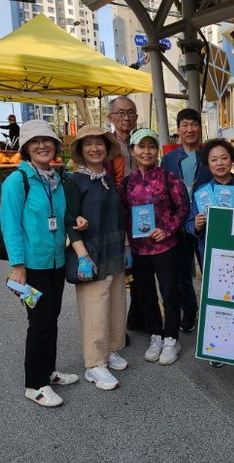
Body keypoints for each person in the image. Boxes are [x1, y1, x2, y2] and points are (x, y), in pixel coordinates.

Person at [0, 120, 82, 407]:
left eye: (47, 140)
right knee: (39, 323)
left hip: (56, 262)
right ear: (26, 148)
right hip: (32, 266)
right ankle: (34, 385)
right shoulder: (17, 181)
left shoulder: (56, 179)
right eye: (35, 141)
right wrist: (18, 266)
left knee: (51, 319)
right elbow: (11, 225)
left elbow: (62, 217)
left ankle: (48, 371)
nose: (42, 145)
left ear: (56, 146)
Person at [64, 126, 128, 391]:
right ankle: (94, 364)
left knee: (115, 304)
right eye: (88, 144)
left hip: (113, 250)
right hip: (90, 253)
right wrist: (82, 256)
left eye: (99, 143)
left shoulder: (107, 178)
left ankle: (109, 349)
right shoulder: (74, 181)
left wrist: (126, 247)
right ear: (81, 150)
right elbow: (69, 221)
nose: (95, 148)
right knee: (95, 308)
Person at [121, 128, 189, 365]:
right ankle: (156, 335)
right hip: (139, 250)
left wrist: (166, 229)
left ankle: (171, 338)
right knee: (146, 295)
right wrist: (127, 245)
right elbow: (124, 216)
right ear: (133, 150)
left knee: (170, 293)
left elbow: (183, 208)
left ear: (157, 150)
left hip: (166, 247)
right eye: (141, 146)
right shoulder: (126, 183)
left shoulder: (168, 178)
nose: (147, 151)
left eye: (151, 146)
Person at [161, 108, 213, 333]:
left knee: (211, 269)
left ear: (200, 128)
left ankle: (214, 313)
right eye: (185, 125)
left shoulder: (210, 154)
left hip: (207, 223)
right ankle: (189, 310)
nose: (190, 129)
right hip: (179, 225)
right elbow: (162, 191)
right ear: (178, 129)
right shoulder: (169, 159)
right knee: (182, 273)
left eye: (194, 124)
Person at [186, 138, 234, 260]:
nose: (219, 163)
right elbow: (189, 224)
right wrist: (196, 226)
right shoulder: (201, 192)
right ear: (208, 163)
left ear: (231, 160)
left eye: (224, 158)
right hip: (211, 253)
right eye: (214, 160)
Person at [106, 95, 141, 340]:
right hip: (116, 213)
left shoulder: (142, 141)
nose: (126, 117)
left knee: (141, 269)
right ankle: (115, 328)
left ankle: (137, 318)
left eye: (130, 113)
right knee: (117, 273)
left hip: (141, 214)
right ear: (111, 117)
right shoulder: (106, 146)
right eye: (120, 113)